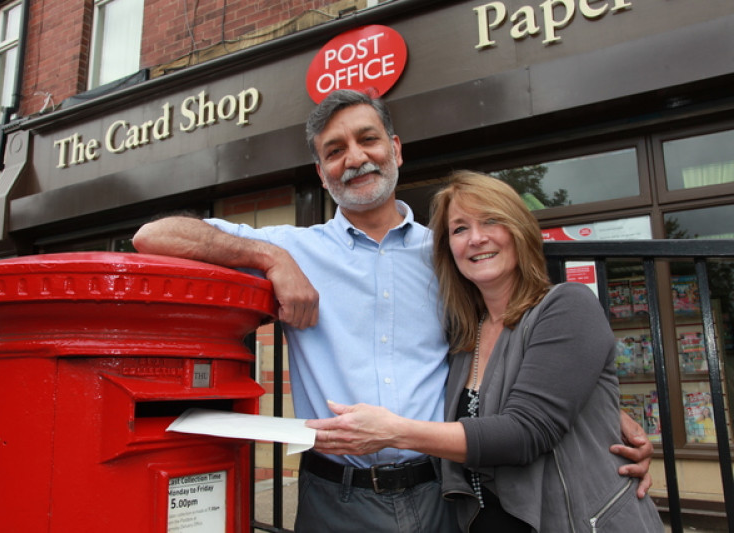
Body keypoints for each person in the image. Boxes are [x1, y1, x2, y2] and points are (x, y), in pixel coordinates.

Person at [132, 90, 653, 532]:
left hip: (444, 494)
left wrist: (602, 414)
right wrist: (268, 257)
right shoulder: (294, 247)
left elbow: (514, 348)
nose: (354, 158)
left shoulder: (452, 254)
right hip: (333, 499)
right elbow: (152, 236)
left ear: (395, 149)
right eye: (334, 150)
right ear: (321, 172)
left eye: (367, 139)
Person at [307, 171, 664, 532]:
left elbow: (525, 432)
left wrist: (393, 432)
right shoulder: (464, 334)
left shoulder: (568, 306)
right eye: (460, 229)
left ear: (519, 230)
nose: (476, 239)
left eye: (491, 221)